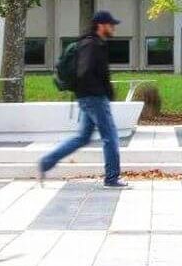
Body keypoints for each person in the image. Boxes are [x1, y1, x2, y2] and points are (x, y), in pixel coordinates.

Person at [38, 10, 128, 188]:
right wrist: (100, 92)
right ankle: (111, 178)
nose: (113, 28)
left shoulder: (95, 43)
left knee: (82, 137)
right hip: (94, 97)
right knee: (110, 137)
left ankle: (46, 162)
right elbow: (84, 71)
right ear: (101, 25)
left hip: (89, 97)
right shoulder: (91, 44)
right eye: (111, 24)